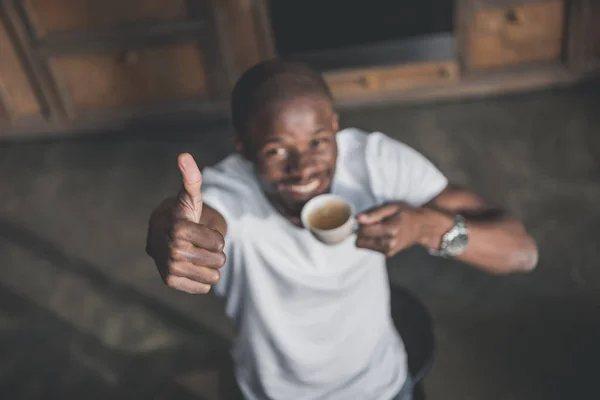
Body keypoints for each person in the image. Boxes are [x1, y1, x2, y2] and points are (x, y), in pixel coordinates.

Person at [145, 60, 538, 400]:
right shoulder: (230, 192)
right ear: (244, 148)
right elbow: (197, 220)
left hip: (383, 384)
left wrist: (427, 227)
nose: (304, 169)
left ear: (335, 127)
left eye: (318, 141)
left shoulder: (373, 162)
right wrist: (173, 233)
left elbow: (521, 252)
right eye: (276, 150)